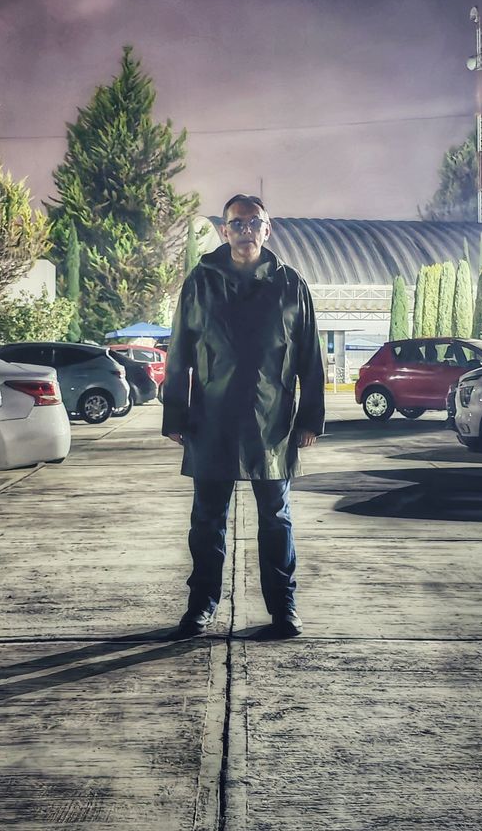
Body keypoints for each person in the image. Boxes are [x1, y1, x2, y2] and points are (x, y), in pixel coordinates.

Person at [162, 194, 325, 638]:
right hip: (211, 418)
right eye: (237, 223)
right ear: (224, 231)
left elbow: (309, 356)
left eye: (254, 222)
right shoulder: (201, 281)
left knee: (276, 518)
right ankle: (200, 607)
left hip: (271, 422)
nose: (246, 230)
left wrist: (310, 419)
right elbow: (179, 350)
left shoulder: (290, 284)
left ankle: (284, 609)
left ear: (267, 229)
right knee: (206, 520)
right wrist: (175, 414)